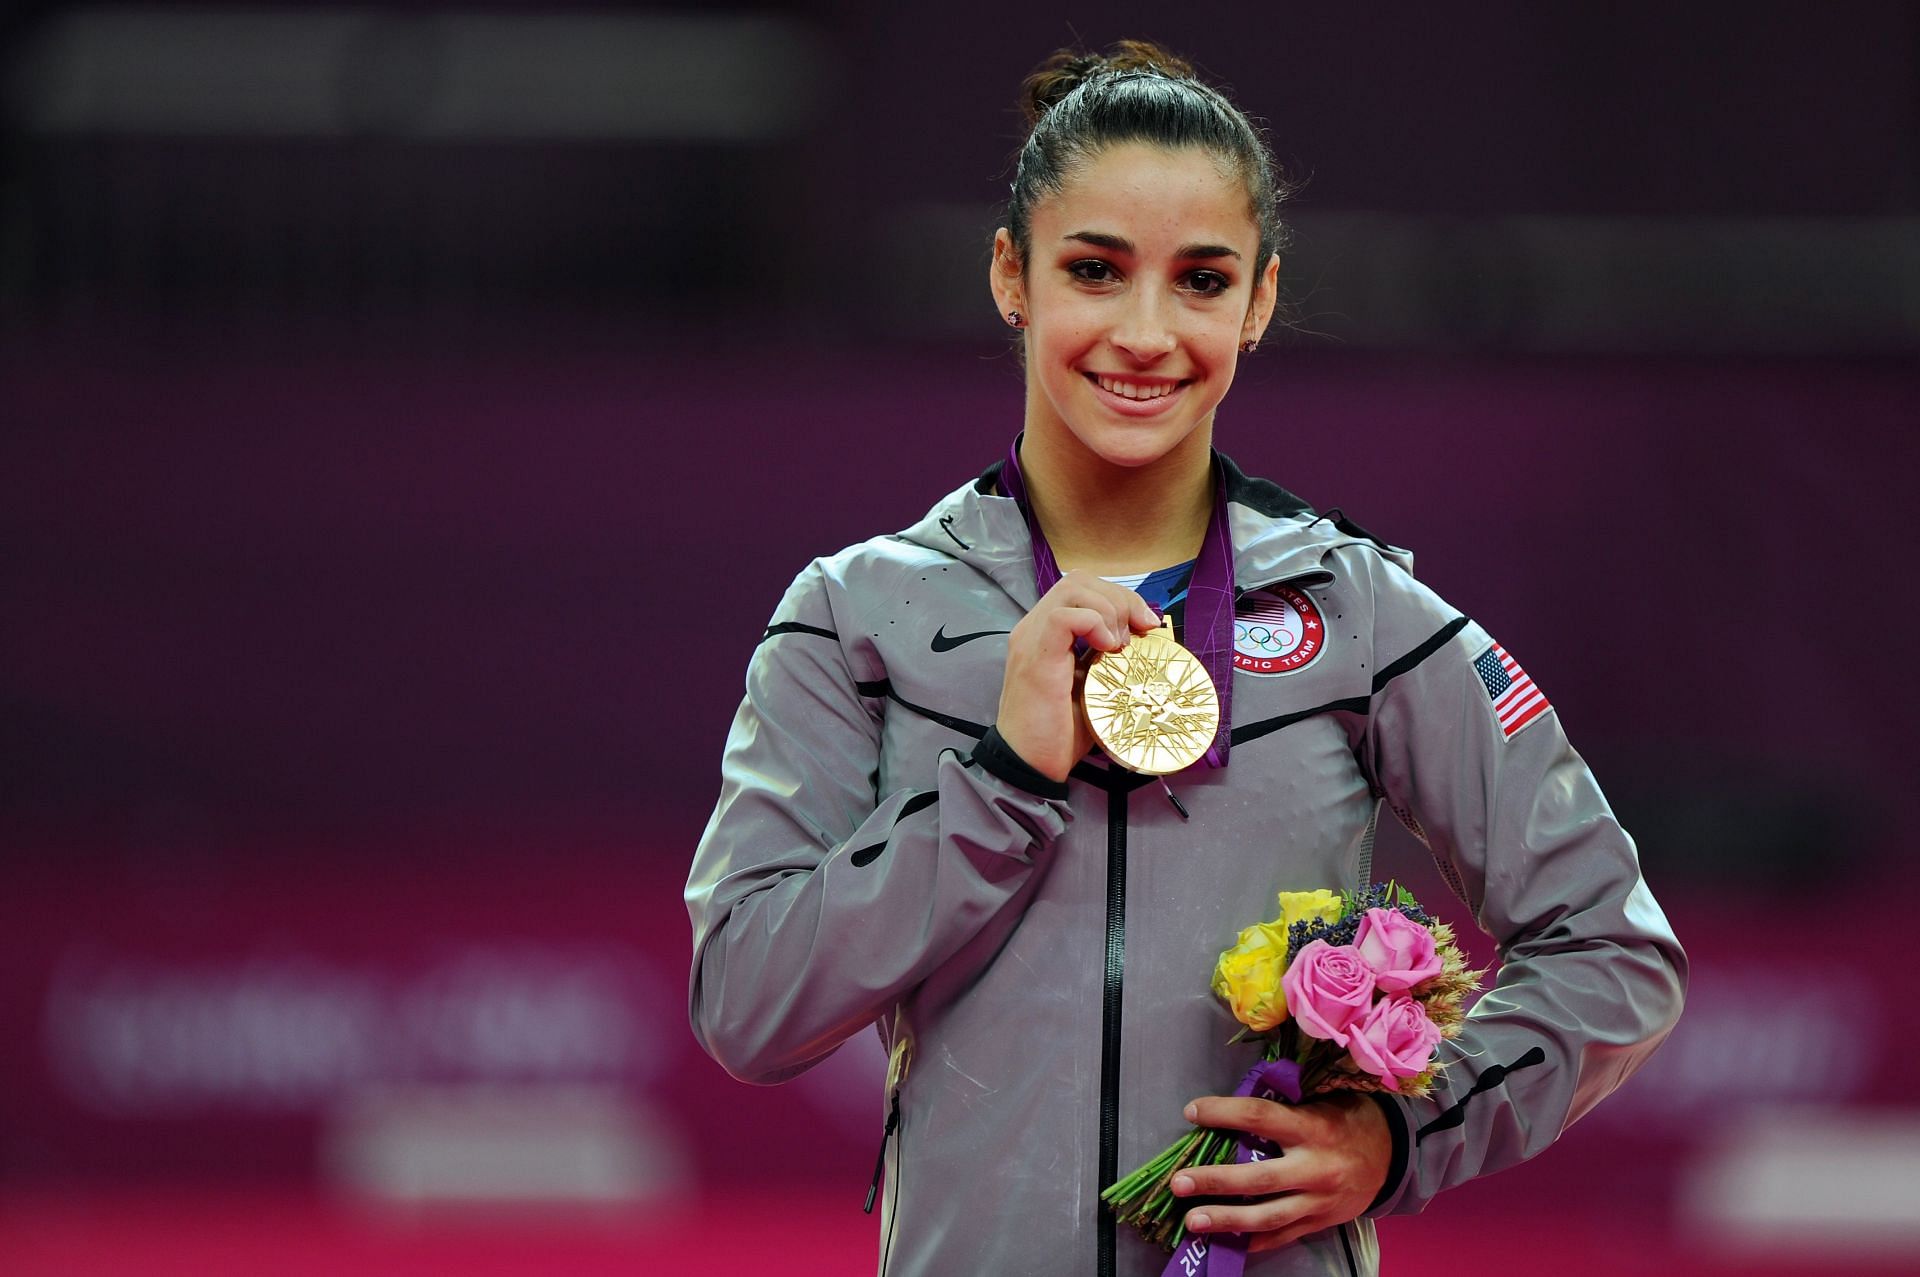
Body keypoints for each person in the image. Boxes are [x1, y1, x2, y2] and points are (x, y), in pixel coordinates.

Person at [685, 41, 1686, 1277]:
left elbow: (1615, 947)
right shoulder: (857, 616)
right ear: (1013, 275)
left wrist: (1398, 1128)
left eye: (1201, 280)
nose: (1145, 333)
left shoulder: (1360, 610)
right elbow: (745, 1002)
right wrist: (999, 777)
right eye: (1095, 270)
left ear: (1259, 300)